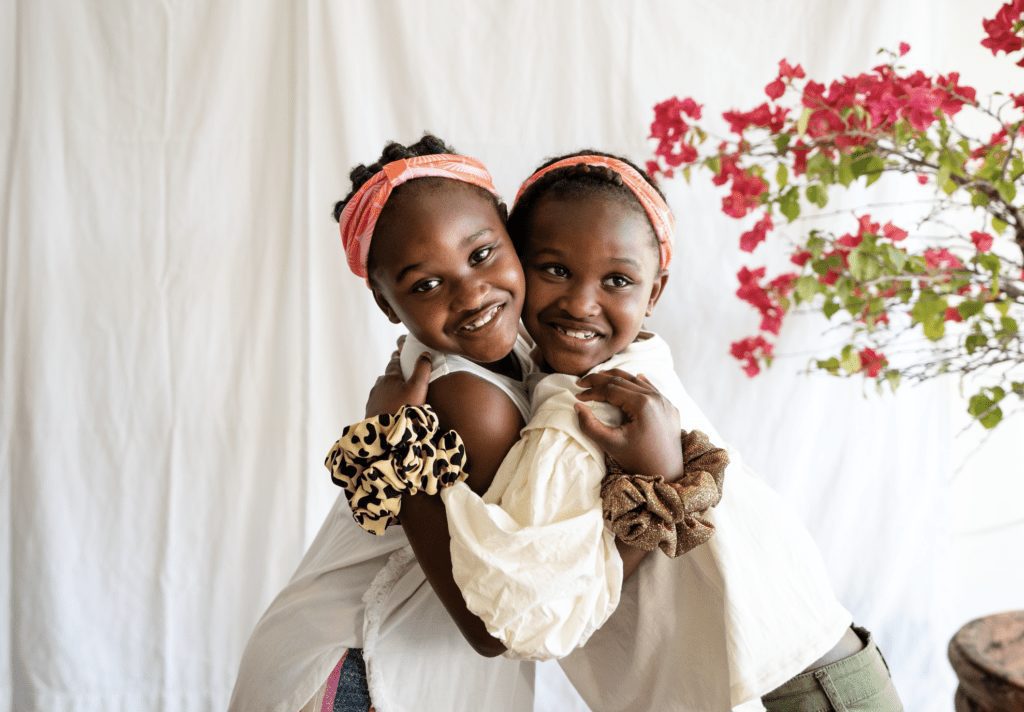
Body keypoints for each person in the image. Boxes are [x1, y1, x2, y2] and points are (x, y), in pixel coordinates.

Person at [374, 151, 902, 710]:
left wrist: (389, 451)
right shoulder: (605, 368)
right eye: (554, 269)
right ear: (519, 262)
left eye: (618, 280)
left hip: (797, 689)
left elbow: (517, 621)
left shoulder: (588, 407)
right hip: (817, 669)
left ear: (654, 292)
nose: (580, 303)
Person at [228, 135, 687, 712]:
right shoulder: (471, 399)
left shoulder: (518, 357)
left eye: (481, 255)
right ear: (387, 304)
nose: (471, 293)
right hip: (362, 669)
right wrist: (664, 484)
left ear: (511, 240)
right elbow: (497, 621)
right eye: (425, 284)